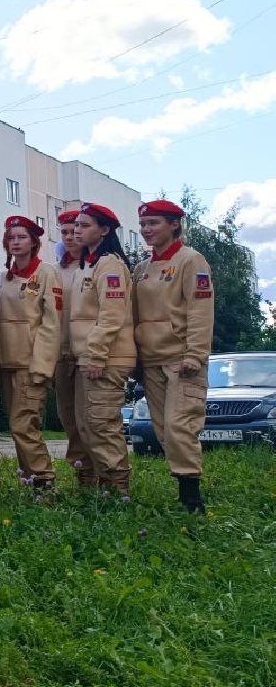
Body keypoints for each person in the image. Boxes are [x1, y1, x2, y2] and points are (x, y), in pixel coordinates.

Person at [133, 199, 215, 513]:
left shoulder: (190, 260)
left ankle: (192, 501)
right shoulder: (141, 268)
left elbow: (200, 311)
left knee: (180, 425)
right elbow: (135, 316)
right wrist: (136, 360)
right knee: (163, 429)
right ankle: (184, 488)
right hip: (151, 360)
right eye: (143, 224)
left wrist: (195, 354)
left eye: (153, 223)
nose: (146, 230)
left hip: (182, 359)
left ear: (173, 225)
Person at [70, 202, 137, 495]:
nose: (77, 230)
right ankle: (105, 485)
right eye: (77, 225)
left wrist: (95, 354)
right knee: (88, 425)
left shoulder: (110, 264)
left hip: (107, 358)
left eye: (85, 225)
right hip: (91, 357)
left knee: (102, 424)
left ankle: (118, 489)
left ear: (105, 230)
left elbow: (112, 315)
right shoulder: (90, 263)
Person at [0, 215, 61, 492]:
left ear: (34, 242)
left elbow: (51, 323)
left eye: (21, 237)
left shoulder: (46, 273)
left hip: (30, 363)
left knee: (25, 425)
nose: (15, 242)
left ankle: (45, 481)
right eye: (11, 237)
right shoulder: (4, 277)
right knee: (16, 426)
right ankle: (29, 480)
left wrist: (42, 365)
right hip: (5, 362)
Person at [51, 209, 95, 487]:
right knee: (68, 418)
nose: (70, 236)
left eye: (75, 230)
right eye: (65, 232)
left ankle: (104, 477)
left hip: (89, 354)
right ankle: (83, 476)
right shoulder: (55, 270)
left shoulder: (97, 266)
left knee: (90, 418)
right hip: (60, 353)